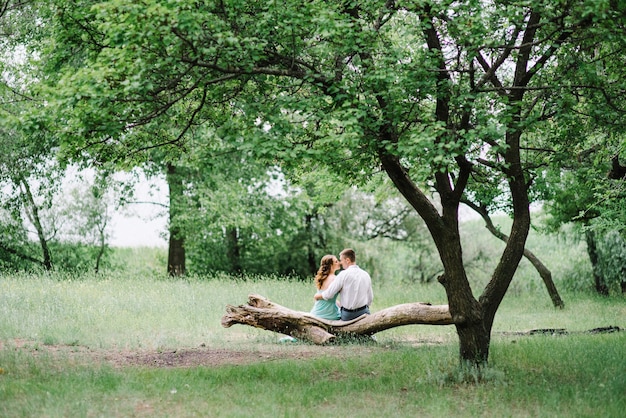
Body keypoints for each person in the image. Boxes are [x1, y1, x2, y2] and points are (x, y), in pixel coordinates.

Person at [314, 248, 373, 321]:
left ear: (347, 260)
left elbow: (329, 294)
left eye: (341, 260)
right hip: (364, 312)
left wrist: (317, 296)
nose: (340, 263)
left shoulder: (343, 275)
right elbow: (370, 298)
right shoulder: (365, 274)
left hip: (348, 315)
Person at [309, 254, 341, 320]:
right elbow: (329, 297)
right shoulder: (335, 279)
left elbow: (329, 298)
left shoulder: (322, 278)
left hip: (317, 311)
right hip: (328, 313)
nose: (339, 263)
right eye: (336, 261)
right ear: (331, 265)